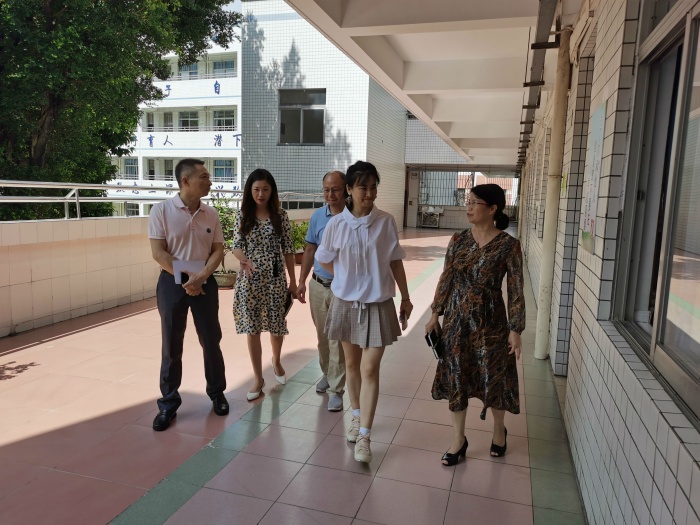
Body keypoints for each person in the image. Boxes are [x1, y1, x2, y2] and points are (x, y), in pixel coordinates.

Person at [316, 161, 412, 463]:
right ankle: (356, 417)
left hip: (378, 304)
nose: (369, 194)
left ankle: (365, 436)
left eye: (373, 188)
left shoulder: (385, 222)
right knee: (352, 365)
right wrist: (345, 278)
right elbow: (324, 258)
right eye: (363, 188)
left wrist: (406, 297)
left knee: (370, 368)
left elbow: (395, 260)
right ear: (349, 189)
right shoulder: (336, 225)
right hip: (346, 303)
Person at [425, 183, 525, 466]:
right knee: (457, 376)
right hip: (457, 322)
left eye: (474, 202)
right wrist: (435, 314)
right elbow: (446, 277)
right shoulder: (458, 240)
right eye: (467, 201)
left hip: (492, 323)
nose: (468, 207)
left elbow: (516, 289)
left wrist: (515, 329)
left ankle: (499, 430)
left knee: (494, 376)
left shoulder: (508, 245)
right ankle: (458, 440)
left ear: (492, 209)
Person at [148, 158, 229, 432]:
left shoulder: (211, 214)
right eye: (204, 177)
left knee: (211, 339)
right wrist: (186, 278)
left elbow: (218, 250)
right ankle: (168, 403)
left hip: (205, 282)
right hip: (172, 282)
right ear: (185, 181)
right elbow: (158, 253)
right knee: (172, 343)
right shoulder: (161, 211)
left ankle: (217, 393)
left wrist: (202, 276)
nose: (210, 181)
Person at [232, 169, 297, 401]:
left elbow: (288, 249)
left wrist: (293, 281)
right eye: (257, 189)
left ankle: (276, 361)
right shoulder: (243, 215)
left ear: (272, 191)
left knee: (276, 325)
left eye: (266, 189)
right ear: (250, 191)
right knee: (253, 328)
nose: (261, 194)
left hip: (275, 279)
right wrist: (243, 259)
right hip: (250, 280)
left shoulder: (281, 215)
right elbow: (236, 245)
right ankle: (258, 378)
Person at [296, 171, 347, 412]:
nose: (330, 194)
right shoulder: (318, 216)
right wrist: (301, 281)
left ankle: (336, 389)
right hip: (317, 284)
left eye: (335, 189)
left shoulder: (352, 217)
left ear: (345, 190)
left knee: (337, 339)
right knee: (323, 337)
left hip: (341, 288)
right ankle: (327, 373)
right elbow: (309, 250)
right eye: (326, 190)